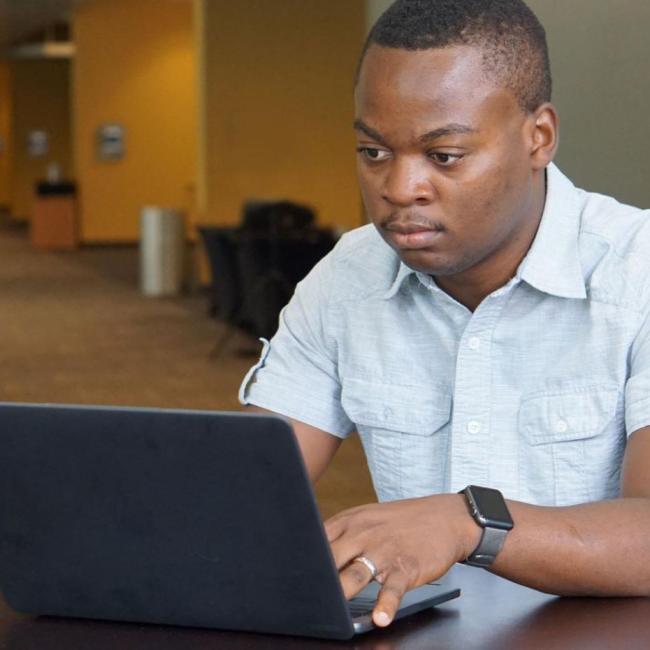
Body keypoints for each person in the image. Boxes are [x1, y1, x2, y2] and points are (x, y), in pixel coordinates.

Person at [239, 0, 650, 628]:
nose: (399, 189)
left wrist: (470, 522)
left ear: (539, 137)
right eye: (374, 152)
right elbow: (244, 488)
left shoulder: (636, 272)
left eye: (445, 155)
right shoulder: (348, 277)